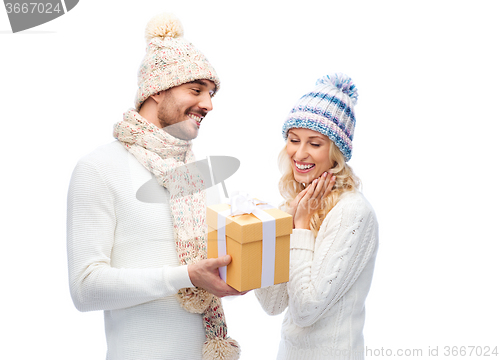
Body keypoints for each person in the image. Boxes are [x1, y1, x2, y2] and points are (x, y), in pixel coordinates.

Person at [66, 13, 242, 360]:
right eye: (196, 89)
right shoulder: (99, 169)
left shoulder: (197, 175)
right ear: (157, 90)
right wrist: (184, 276)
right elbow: (85, 289)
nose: (208, 104)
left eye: (211, 93)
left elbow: (219, 268)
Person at [255, 73, 379, 360]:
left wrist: (299, 228)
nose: (299, 153)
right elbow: (273, 303)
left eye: (315, 143)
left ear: (335, 152)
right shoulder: (298, 204)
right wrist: (267, 233)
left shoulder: (352, 212)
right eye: (293, 139)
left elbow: (305, 311)